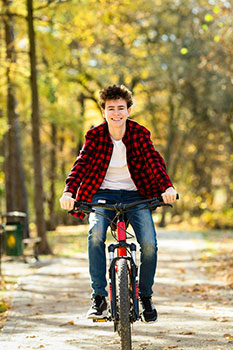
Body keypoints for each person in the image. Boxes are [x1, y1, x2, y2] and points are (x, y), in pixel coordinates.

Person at [60, 84, 177, 323]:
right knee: (95, 235)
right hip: (102, 195)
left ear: (129, 110)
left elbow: (153, 160)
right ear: (104, 111)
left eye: (120, 108)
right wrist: (69, 192)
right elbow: (80, 166)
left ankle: (145, 296)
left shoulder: (139, 134)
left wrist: (167, 187)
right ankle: (99, 297)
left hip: (136, 195)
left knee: (149, 244)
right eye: (110, 108)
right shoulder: (94, 136)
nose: (116, 113)